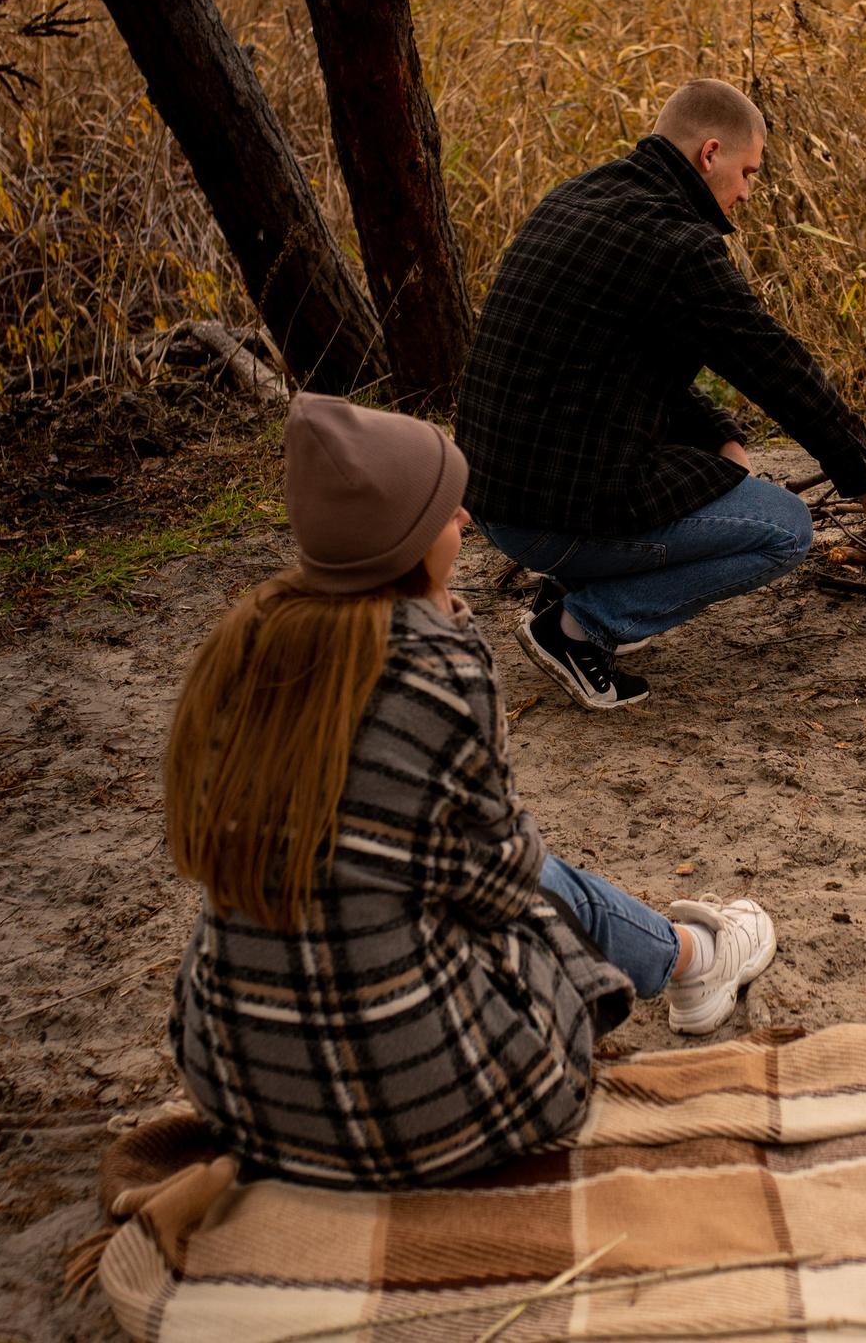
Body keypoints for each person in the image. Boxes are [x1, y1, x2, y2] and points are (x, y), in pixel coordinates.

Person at [165, 394, 778, 1188]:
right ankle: (695, 956)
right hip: (427, 1111)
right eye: (443, 507)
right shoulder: (437, 665)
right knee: (538, 881)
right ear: (406, 540)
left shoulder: (245, 645)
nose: (463, 516)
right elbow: (503, 884)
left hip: (241, 1096)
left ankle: (689, 955)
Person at [457, 78, 866, 710]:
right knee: (785, 529)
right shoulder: (678, 244)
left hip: (490, 495)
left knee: (715, 470)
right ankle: (579, 628)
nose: (747, 193)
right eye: (747, 172)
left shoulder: (577, 196)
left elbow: (620, 360)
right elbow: (778, 370)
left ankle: (570, 589)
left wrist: (720, 436)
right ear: (710, 154)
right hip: (547, 516)